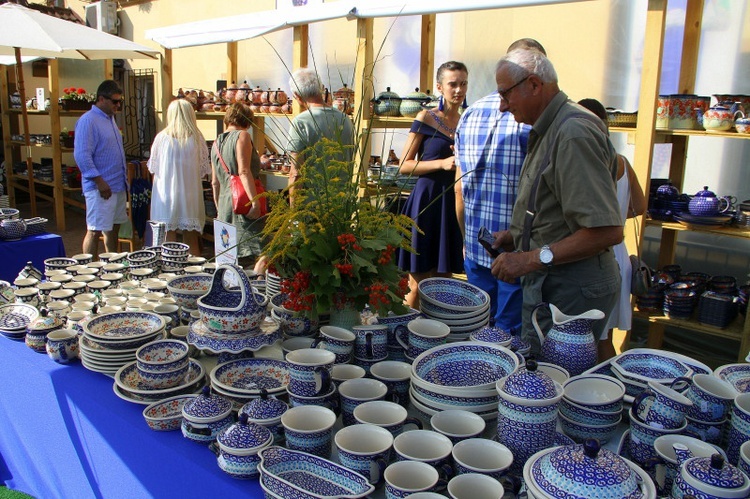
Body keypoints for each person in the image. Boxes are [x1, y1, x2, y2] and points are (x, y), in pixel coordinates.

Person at [489, 49, 623, 355]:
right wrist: (517, 236)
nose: (501, 106)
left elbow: (606, 231)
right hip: (556, 283)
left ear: (534, 85)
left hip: (571, 288)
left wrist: (529, 258)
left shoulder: (572, 133)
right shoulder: (551, 128)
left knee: (555, 384)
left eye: (505, 95)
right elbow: (557, 209)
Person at [455, 39, 545, 332]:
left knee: (475, 327)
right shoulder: (531, 118)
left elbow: (459, 188)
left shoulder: (469, 114)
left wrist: (466, 239)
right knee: (508, 336)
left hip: (477, 241)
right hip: (516, 251)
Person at [578, 98, 647, 361]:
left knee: (596, 337)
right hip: (619, 250)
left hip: (597, 254)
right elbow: (639, 207)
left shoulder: (591, 164)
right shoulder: (622, 162)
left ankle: (607, 389)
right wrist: (616, 214)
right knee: (603, 336)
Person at [397, 61, 468, 308]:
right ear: (440, 87)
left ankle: (435, 337)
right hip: (425, 204)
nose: (459, 90)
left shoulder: (468, 121)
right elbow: (404, 165)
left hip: (453, 205)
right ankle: (403, 333)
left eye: (463, 84)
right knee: (417, 285)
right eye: (453, 84)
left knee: (443, 283)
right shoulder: (426, 117)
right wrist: (441, 163)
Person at [147, 99, 211, 257]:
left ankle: (171, 272)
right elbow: (203, 169)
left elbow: (153, 168)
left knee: (168, 237)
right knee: (192, 238)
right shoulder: (197, 138)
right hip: (189, 193)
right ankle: (195, 272)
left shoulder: (161, 138)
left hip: (166, 194)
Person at [74, 80, 128, 261]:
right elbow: (82, 155)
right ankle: (88, 269)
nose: (118, 105)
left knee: (113, 228)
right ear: (101, 99)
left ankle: (112, 264)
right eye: (115, 101)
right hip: (100, 187)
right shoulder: (88, 121)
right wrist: (99, 181)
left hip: (117, 184)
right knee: (94, 229)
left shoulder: (110, 119)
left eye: (120, 101)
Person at [286, 67, 355, 203]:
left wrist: (293, 214)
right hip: (341, 202)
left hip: (312, 205)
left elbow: (295, 173)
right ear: (321, 88)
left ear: (296, 96)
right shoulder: (345, 119)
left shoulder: (301, 122)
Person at [210, 101, 264, 267]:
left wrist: (219, 208)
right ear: (247, 121)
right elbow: (244, 171)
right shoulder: (242, 136)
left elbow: (214, 182)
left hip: (225, 203)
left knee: (228, 257)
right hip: (243, 202)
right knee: (259, 251)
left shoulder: (216, 142)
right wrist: (254, 202)